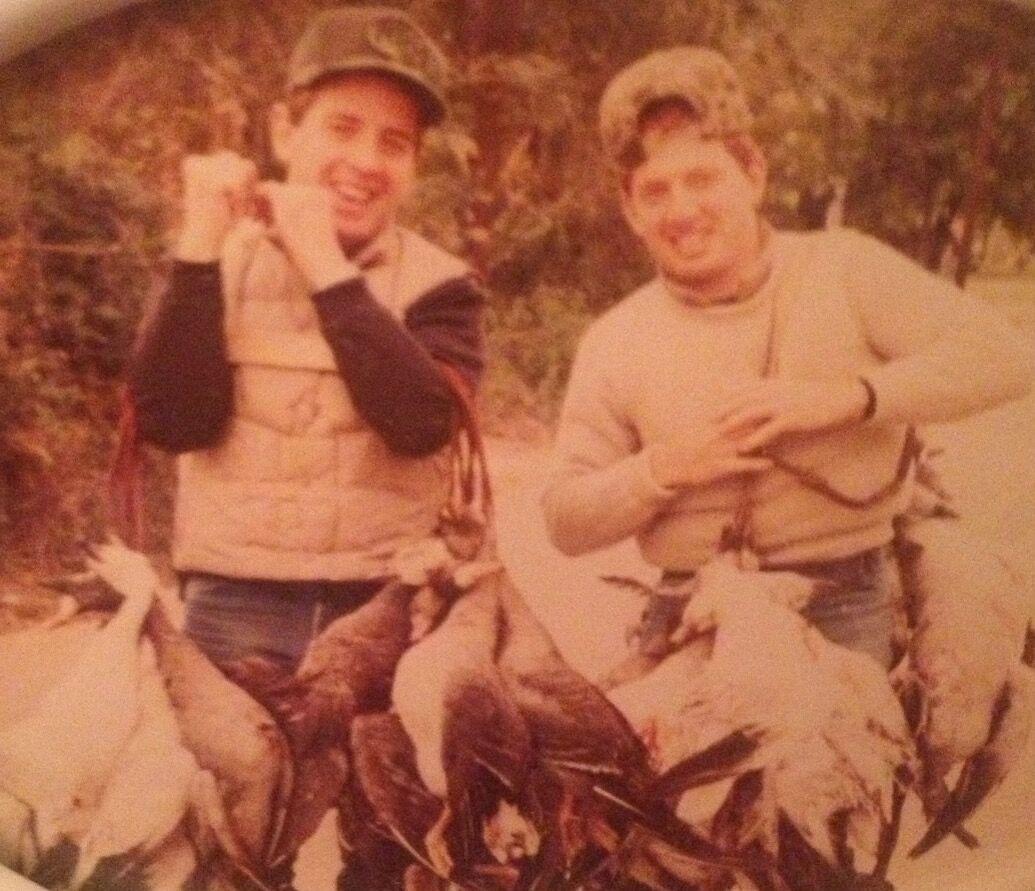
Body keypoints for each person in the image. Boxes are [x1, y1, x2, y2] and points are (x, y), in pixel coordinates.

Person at [128, 7, 483, 888]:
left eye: (394, 142)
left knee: (393, 849)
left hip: (385, 608)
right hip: (234, 600)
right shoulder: (210, 259)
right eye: (341, 126)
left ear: (414, 166)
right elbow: (171, 418)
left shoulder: (441, 283)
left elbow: (421, 422)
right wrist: (201, 244)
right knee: (234, 849)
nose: (366, 160)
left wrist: (325, 263)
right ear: (286, 128)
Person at [542, 46, 1032, 672]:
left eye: (702, 179)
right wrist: (663, 469)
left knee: (836, 763)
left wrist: (848, 398)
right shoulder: (616, 338)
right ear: (631, 210)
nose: (682, 211)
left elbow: (1007, 358)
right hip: (686, 614)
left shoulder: (844, 268)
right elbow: (564, 522)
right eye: (656, 191)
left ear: (752, 172)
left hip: (837, 605)